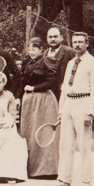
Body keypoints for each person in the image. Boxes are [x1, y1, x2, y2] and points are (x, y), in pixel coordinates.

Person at [49, 32, 94, 186]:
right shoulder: (71, 62)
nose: (77, 45)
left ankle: (85, 180)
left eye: (80, 42)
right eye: (75, 42)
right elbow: (65, 87)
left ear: (87, 43)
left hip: (83, 102)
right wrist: (61, 109)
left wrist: (90, 112)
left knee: (83, 144)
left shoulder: (93, 63)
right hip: (69, 104)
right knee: (65, 144)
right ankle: (64, 178)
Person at [18, 37, 60, 178]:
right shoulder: (28, 62)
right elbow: (22, 81)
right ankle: (31, 169)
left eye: (34, 49)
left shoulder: (48, 60)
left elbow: (51, 83)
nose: (31, 52)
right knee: (29, 133)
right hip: (29, 101)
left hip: (44, 100)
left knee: (44, 133)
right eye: (29, 49)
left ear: (42, 49)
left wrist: (34, 88)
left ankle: (47, 170)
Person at [44, 27, 77, 100]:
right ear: (47, 39)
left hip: (64, 94)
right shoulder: (44, 54)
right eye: (50, 37)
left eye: (55, 36)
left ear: (61, 38)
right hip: (48, 95)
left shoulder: (70, 52)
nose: (52, 39)